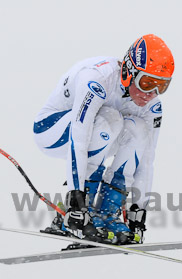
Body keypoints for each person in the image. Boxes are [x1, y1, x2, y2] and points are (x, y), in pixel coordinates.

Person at [33, 34, 174, 245]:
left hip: (98, 137)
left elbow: (147, 160)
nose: (151, 94)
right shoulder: (98, 79)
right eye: (146, 83)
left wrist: (139, 210)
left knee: (139, 129)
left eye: (161, 86)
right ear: (129, 72)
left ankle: (107, 214)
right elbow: (79, 139)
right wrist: (76, 199)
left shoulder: (151, 107)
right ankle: (78, 211)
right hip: (53, 131)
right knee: (110, 119)